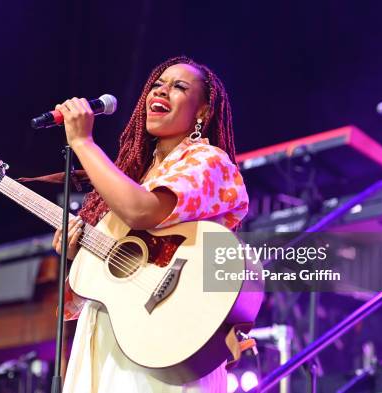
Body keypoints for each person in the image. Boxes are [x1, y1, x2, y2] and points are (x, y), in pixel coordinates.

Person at [52, 56, 249, 393]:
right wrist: (78, 254)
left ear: (202, 111)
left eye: (179, 87)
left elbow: (141, 211)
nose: (162, 90)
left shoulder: (209, 161)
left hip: (170, 342)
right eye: (157, 84)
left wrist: (83, 143)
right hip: (116, 332)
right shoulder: (132, 176)